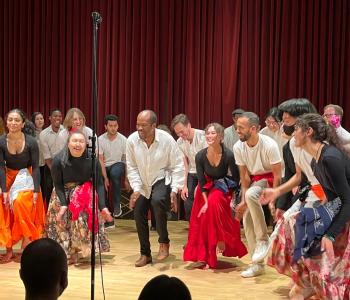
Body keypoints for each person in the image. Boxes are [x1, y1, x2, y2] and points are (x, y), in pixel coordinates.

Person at [263, 113, 350, 299]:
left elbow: (346, 200)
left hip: (346, 212)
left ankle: (315, 284)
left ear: (308, 132)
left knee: (327, 263)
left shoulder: (330, 158)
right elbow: (330, 196)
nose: (293, 133)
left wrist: (330, 233)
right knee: (295, 224)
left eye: (296, 129)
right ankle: (306, 282)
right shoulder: (316, 159)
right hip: (338, 208)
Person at [183, 123, 247, 268]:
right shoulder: (200, 155)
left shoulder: (229, 155)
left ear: (221, 137)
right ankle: (204, 256)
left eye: (213, 133)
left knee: (214, 201)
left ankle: (220, 239)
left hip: (223, 186)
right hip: (205, 188)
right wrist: (204, 202)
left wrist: (228, 190)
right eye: (207, 133)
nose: (209, 136)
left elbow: (236, 179)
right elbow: (201, 180)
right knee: (203, 214)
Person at [126, 110, 184, 267]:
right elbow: (131, 167)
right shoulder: (132, 140)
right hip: (142, 183)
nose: (139, 128)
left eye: (143, 125)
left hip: (161, 177)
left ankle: (164, 241)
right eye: (137, 124)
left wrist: (174, 190)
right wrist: (136, 189)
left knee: (158, 202)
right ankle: (145, 254)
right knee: (138, 212)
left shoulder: (166, 140)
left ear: (153, 126)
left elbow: (177, 165)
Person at [46, 131, 112, 264]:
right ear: (68, 143)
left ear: (86, 144)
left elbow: (99, 183)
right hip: (62, 191)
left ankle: (77, 249)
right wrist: (64, 204)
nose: (78, 144)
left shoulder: (92, 159)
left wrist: (103, 206)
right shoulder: (58, 159)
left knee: (81, 215)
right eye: (74, 141)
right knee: (60, 216)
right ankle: (66, 252)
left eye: (81, 141)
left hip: (83, 189)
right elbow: (57, 184)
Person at [233, 112, 282, 277]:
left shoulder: (269, 144)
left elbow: (277, 174)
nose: (237, 130)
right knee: (247, 218)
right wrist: (242, 201)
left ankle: (263, 239)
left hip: (270, 181)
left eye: (241, 127)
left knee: (252, 193)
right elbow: (244, 176)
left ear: (253, 128)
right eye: (236, 126)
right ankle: (257, 264)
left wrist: (273, 199)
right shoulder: (238, 146)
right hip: (255, 181)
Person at [0, 109, 45, 263]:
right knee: (2, 205)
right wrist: (4, 190)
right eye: (10, 120)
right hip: (8, 176)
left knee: (20, 203)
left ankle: (26, 243)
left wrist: (36, 190)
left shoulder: (31, 141)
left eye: (17, 120)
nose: (13, 123)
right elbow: (1, 168)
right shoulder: (1, 141)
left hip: (27, 176)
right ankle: (9, 250)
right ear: (6, 122)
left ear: (23, 123)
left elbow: (36, 167)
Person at [171, 113, 207, 221]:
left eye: (182, 131)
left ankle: (205, 226)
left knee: (201, 197)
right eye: (178, 133)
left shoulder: (203, 137)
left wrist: (200, 184)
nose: (181, 135)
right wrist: (184, 185)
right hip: (192, 172)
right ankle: (193, 226)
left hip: (206, 173)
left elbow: (207, 163)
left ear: (189, 126)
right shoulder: (179, 142)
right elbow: (185, 164)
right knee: (187, 199)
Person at [98, 114, 129, 224]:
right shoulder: (100, 139)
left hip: (118, 164)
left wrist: (126, 178)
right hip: (104, 166)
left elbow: (126, 160)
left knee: (115, 174)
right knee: (100, 181)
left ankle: (117, 205)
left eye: (115, 125)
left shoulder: (123, 140)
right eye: (110, 126)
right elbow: (100, 159)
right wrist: (105, 177)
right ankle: (106, 212)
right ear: (105, 126)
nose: (113, 128)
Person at [39, 109, 64, 206]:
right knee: (49, 187)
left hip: (66, 163)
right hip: (50, 165)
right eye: (55, 116)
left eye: (60, 116)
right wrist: (55, 171)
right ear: (50, 118)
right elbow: (47, 157)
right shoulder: (44, 134)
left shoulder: (66, 130)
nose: (58, 118)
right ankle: (49, 213)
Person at [32, 112, 46, 206]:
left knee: (46, 188)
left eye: (41, 118)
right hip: (36, 165)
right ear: (33, 121)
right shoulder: (31, 135)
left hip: (46, 164)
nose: (40, 120)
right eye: (37, 119)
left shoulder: (46, 133)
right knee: (37, 187)